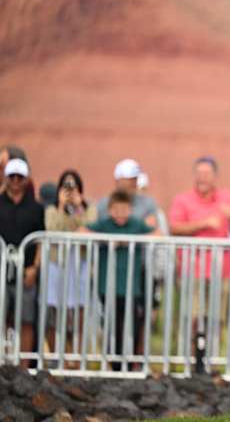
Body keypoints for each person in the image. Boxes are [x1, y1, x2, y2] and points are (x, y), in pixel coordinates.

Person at [169, 156, 230, 346]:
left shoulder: (227, 198)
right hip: (193, 270)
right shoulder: (183, 200)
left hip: (222, 270)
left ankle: (211, 361)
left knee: (216, 318)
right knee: (193, 317)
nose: (202, 178)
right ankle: (193, 361)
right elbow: (175, 228)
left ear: (215, 176)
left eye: (207, 174)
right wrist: (203, 224)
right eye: (199, 173)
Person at [80, 190, 158, 370]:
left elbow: (158, 234)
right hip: (107, 286)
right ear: (110, 210)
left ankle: (130, 363)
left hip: (131, 287)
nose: (121, 214)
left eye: (125, 209)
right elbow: (82, 231)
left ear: (130, 210)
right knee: (111, 325)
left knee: (132, 324)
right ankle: (113, 363)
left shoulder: (136, 224)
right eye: (117, 209)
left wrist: (130, 240)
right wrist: (105, 240)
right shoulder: (104, 224)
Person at [44, 170, 98, 367]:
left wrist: (77, 207)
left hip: (80, 266)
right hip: (57, 265)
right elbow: (53, 229)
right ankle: (58, 356)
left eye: (73, 187)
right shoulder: (51, 209)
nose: (69, 191)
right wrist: (61, 206)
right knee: (55, 311)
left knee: (79, 312)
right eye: (65, 187)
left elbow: (88, 229)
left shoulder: (89, 208)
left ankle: (77, 356)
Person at [0, 158, 44, 367]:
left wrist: (34, 268)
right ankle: (4, 361)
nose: (16, 181)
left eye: (20, 177)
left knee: (26, 319)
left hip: (26, 273)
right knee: (3, 317)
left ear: (26, 180)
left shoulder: (36, 208)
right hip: (2, 272)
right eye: (12, 177)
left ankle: (24, 367)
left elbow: (41, 240)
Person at [96, 159, 160, 229]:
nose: (133, 183)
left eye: (135, 179)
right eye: (129, 179)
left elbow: (151, 228)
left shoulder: (148, 203)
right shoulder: (104, 203)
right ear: (118, 180)